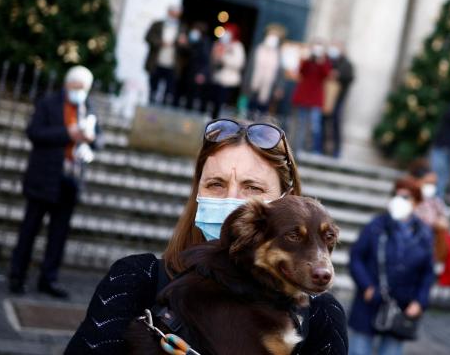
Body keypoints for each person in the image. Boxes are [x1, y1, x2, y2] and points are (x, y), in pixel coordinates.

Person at [65, 118, 348, 354]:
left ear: (288, 201)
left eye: (253, 188)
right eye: (216, 184)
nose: (233, 200)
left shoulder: (320, 314)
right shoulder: (136, 278)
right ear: (198, 192)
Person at [9, 66, 102, 298]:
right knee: (29, 230)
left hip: (70, 179)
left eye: (84, 89)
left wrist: (92, 141)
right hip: (44, 177)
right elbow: (34, 133)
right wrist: (67, 134)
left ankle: (48, 279)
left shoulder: (88, 107)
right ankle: (17, 277)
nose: (80, 92)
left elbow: (99, 137)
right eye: (77, 87)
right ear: (67, 85)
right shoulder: (49, 103)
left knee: (58, 235)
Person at [348, 178, 435, 355]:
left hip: (402, 307)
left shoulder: (424, 235)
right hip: (370, 302)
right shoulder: (376, 226)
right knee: (358, 350)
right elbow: (356, 257)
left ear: (416, 202)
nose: (399, 200)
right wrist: (366, 287)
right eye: (396, 195)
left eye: (406, 197)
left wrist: (420, 301)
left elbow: (427, 273)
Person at [408, 159, 450, 286]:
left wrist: (440, 221)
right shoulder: (409, 197)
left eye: (434, 184)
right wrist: (433, 222)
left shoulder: (434, 199)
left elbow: (444, 217)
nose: (431, 187)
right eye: (428, 183)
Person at [291, 42, 332, 154]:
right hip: (304, 98)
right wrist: (308, 58)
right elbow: (301, 71)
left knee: (315, 126)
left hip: (316, 99)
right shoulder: (308, 61)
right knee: (301, 125)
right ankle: (297, 149)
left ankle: (313, 150)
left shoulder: (325, 62)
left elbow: (327, 75)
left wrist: (321, 61)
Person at [144, 4, 186, 105]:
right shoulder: (158, 24)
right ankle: (151, 107)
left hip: (172, 65)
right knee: (153, 89)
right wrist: (160, 43)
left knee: (168, 92)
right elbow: (148, 37)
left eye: (176, 14)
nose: (174, 16)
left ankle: (163, 109)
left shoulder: (182, 28)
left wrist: (183, 43)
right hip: (156, 62)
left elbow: (186, 48)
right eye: (172, 13)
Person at [322, 42, 354, 158]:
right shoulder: (329, 62)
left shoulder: (347, 64)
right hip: (325, 99)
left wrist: (338, 75)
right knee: (323, 122)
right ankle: (322, 147)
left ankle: (337, 150)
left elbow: (349, 77)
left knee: (336, 123)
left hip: (338, 99)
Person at [248, 24, 285, 116]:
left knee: (263, 112)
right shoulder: (258, 49)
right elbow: (250, 68)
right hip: (254, 85)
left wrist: (279, 87)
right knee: (250, 109)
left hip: (269, 88)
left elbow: (280, 73)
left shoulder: (279, 54)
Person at [210, 23, 246, 119]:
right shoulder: (220, 44)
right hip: (218, 79)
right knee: (215, 103)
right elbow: (214, 61)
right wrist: (217, 53)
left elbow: (239, 63)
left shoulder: (237, 46)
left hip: (230, 81)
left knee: (224, 104)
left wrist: (224, 58)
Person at [176, 22, 212, 111]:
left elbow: (205, 60)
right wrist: (183, 45)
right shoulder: (190, 41)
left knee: (191, 98)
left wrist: (202, 73)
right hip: (186, 72)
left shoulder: (204, 42)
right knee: (181, 94)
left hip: (195, 73)